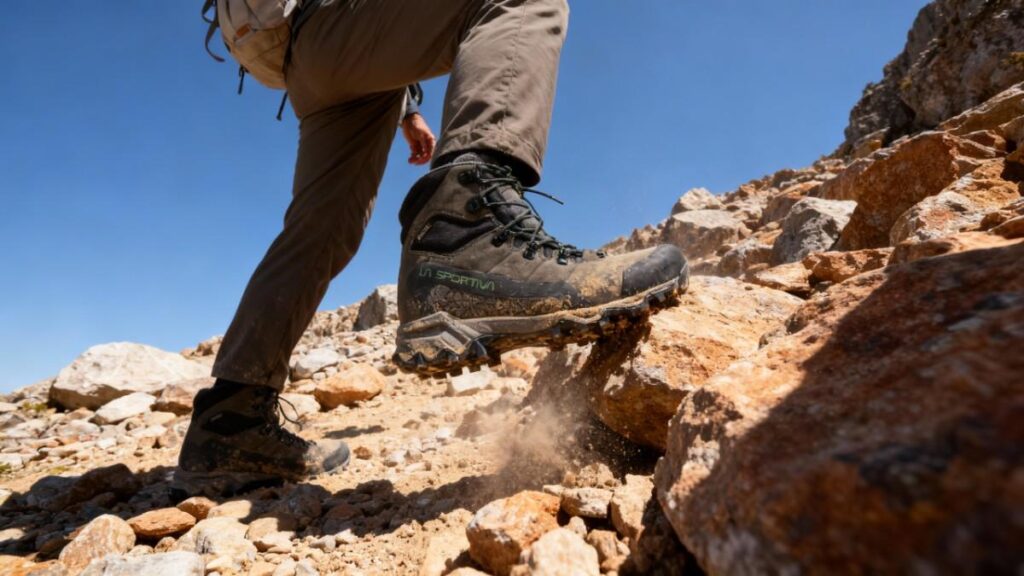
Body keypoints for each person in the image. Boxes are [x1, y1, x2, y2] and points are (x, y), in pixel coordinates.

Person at [175, 0, 689, 495]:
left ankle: (230, 418)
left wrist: (406, 107)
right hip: (328, 27)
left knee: (319, 232)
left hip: (311, 61)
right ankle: (465, 239)